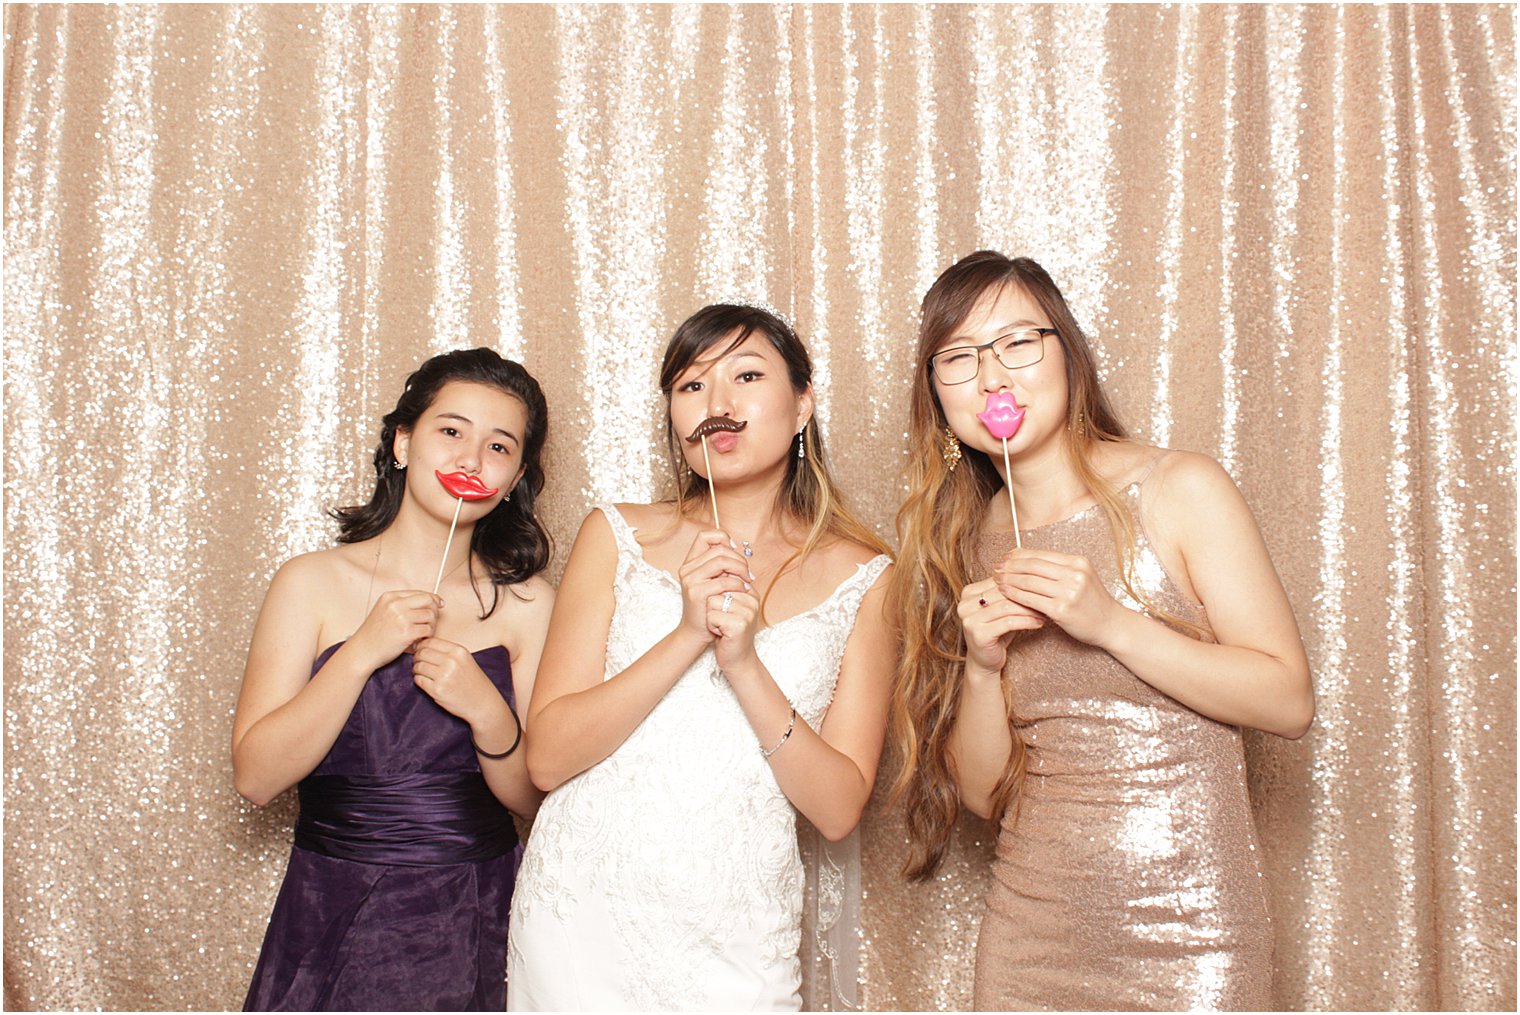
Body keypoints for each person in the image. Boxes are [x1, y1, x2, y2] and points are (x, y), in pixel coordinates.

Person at [889, 252, 1314, 1010]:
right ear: (937, 395)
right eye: (959, 357)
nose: (992, 377)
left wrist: (1111, 624)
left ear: (1069, 354)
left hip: (1194, 933)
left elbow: (1286, 700)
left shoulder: (1179, 488)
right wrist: (983, 669)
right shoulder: (964, 539)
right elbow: (988, 796)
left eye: (1018, 342)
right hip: (1030, 938)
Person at [507, 304, 894, 1010]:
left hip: (739, 934)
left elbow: (837, 808)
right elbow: (547, 756)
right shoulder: (616, 534)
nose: (717, 404)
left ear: (803, 402)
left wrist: (744, 663)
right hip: (581, 925)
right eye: (691, 385)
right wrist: (688, 632)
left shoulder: (866, 575)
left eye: (746, 375)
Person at [233, 348, 553, 1011]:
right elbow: (256, 777)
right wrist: (360, 654)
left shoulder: (531, 605)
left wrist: (488, 713)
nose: (471, 459)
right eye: (451, 431)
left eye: (498, 445)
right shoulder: (311, 582)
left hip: (479, 912)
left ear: (516, 474)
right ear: (404, 442)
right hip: (333, 908)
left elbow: (532, 801)